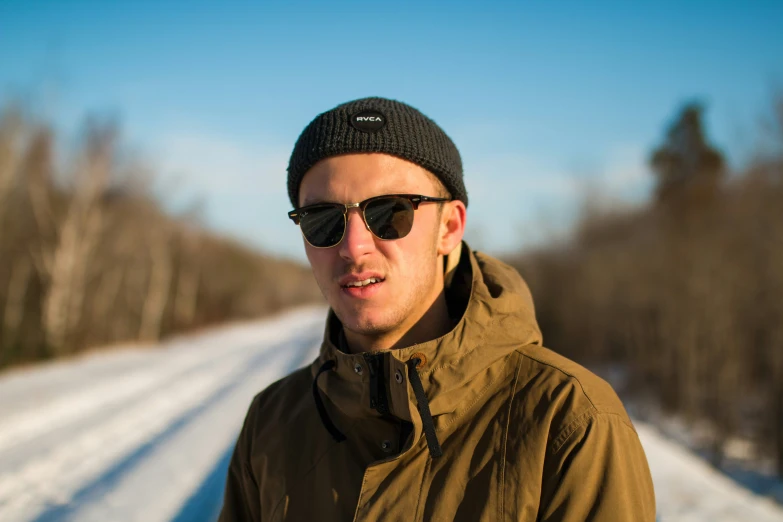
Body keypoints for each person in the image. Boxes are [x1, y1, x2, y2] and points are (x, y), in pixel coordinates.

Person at [218, 97, 656, 521]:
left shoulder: (567, 422)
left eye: (390, 212)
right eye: (322, 219)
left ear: (449, 227)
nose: (353, 247)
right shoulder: (272, 422)